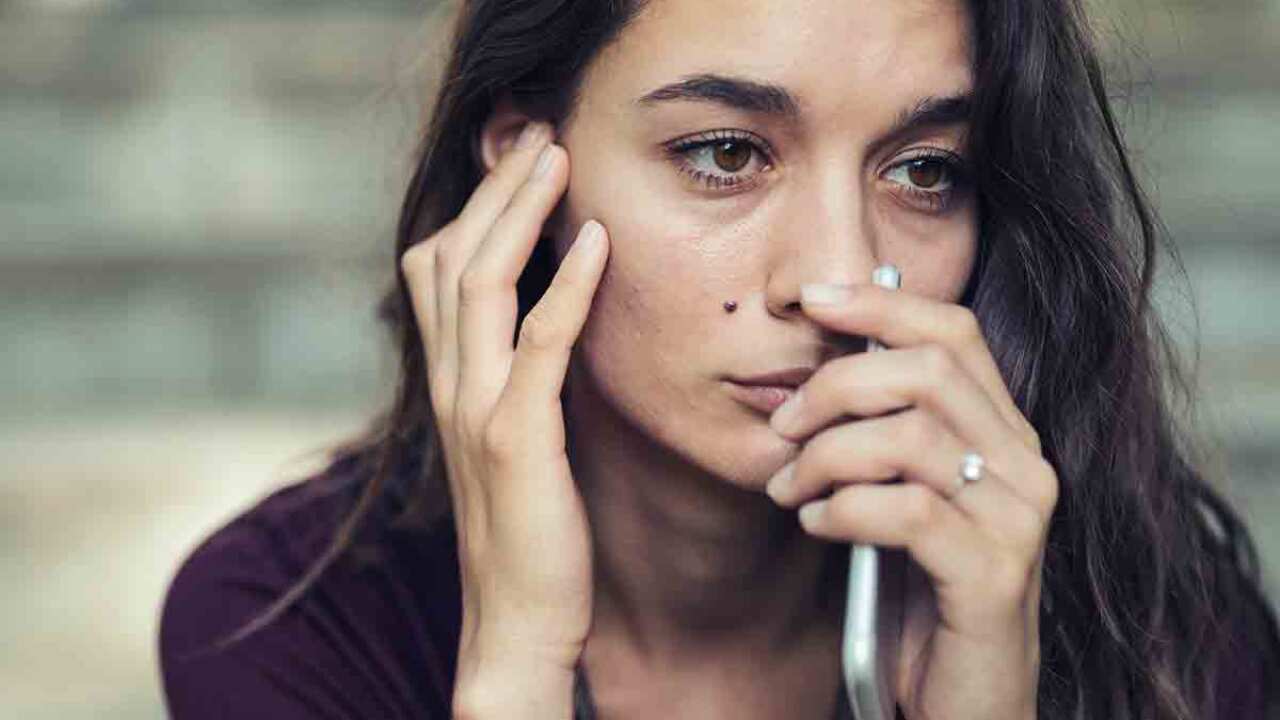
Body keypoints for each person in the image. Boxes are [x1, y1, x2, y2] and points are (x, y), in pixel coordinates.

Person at [157, 0, 1280, 718]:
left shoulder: (1167, 626)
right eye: (726, 153)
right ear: (524, 180)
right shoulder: (284, 622)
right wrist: (517, 665)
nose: (835, 275)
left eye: (925, 170)